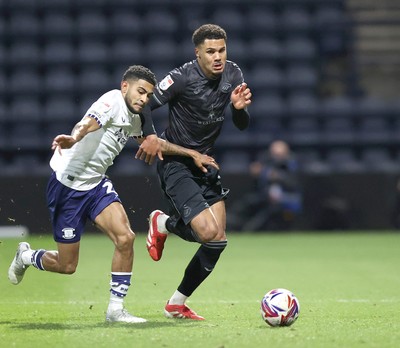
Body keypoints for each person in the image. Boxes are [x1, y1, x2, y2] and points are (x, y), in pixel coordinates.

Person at [8, 65, 219, 324]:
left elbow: (153, 143)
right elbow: (86, 124)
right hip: (67, 188)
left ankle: (115, 310)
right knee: (67, 266)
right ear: (124, 86)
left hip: (96, 186)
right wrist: (73, 139)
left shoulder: (138, 118)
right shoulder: (111, 101)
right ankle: (27, 256)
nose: (144, 98)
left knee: (125, 238)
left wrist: (193, 154)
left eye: (148, 95)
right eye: (140, 91)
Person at [145, 24, 252, 320]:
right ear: (197, 53)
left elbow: (242, 125)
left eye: (222, 50)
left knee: (217, 240)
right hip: (177, 162)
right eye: (211, 52)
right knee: (206, 231)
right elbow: (142, 106)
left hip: (206, 162)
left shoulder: (233, 74)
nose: (218, 57)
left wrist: (239, 110)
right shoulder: (180, 78)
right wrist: (150, 137)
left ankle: (176, 303)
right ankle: (163, 223)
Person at [228, 140, 302, 231]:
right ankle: (232, 223)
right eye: (274, 154)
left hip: (286, 197)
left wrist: (278, 177)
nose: (277, 157)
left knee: (271, 210)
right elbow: (260, 181)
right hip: (266, 196)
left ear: (286, 153)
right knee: (247, 202)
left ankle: (252, 229)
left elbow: (293, 183)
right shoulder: (267, 163)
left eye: (279, 154)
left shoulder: (292, 164)